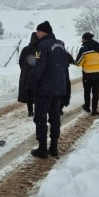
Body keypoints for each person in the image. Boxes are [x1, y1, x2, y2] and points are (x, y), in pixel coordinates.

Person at [28, 21, 68, 158]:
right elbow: (65, 65)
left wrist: (30, 84)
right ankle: (54, 147)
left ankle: (42, 148)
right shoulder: (61, 45)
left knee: (40, 117)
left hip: (44, 88)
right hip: (59, 87)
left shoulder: (42, 46)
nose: (37, 34)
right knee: (55, 117)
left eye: (38, 32)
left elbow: (38, 67)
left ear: (44, 32)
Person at [76, 32, 99, 116]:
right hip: (98, 73)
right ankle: (94, 110)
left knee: (87, 91)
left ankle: (87, 106)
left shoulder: (84, 49)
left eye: (82, 38)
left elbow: (78, 63)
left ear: (85, 39)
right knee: (96, 92)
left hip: (87, 74)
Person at [18, 32, 38, 117]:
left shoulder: (25, 49)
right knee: (37, 92)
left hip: (26, 74)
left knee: (29, 92)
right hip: (37, 74)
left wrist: (25, 70)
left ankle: (30, 110)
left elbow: (21, 61)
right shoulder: (39, 49)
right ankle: (38, 109)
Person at [60, 46, 75, 116]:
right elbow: (71, 60)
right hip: (64, 74)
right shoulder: (64, 51)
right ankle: (60, 107)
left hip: (53, 75)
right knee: (64, 90)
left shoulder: (50, 50)